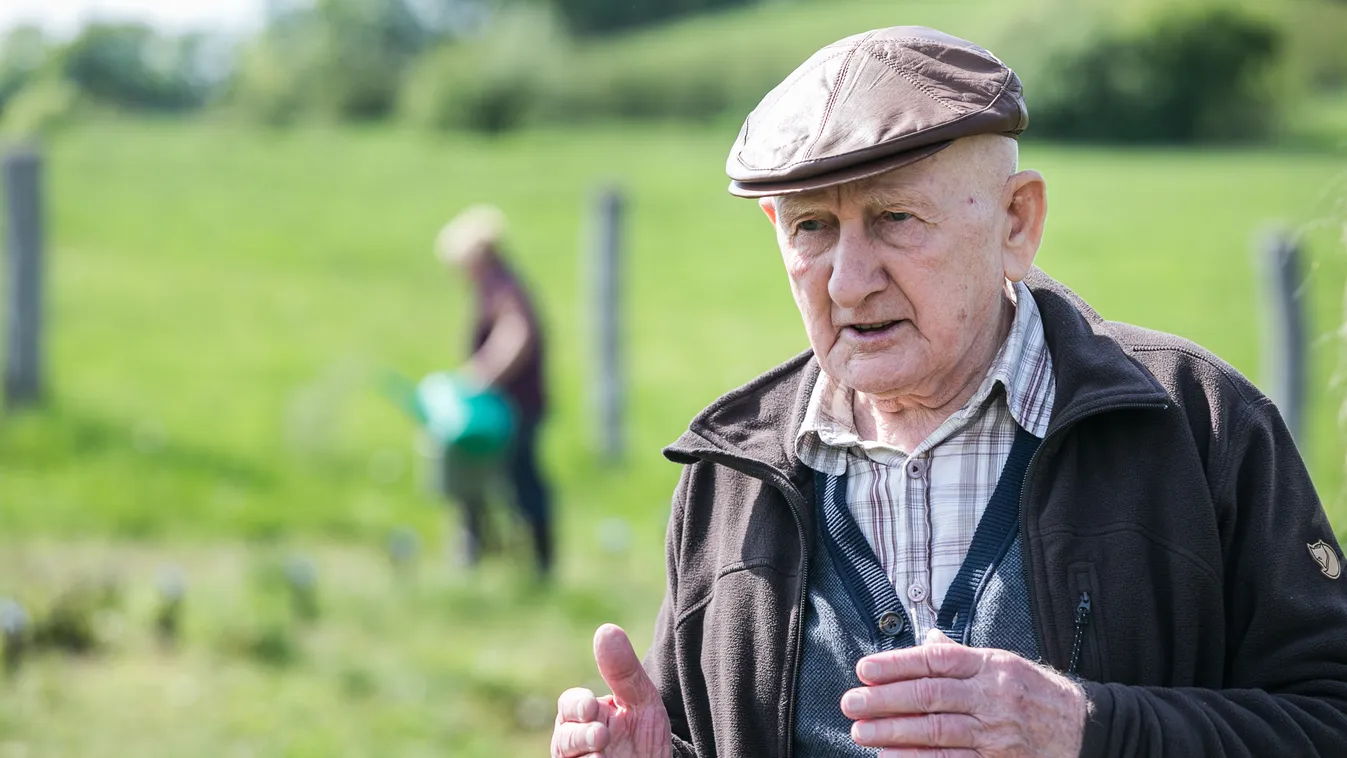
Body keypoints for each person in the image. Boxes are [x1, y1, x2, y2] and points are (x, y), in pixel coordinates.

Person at [550, 26, 1347, 758]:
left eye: (894, 217)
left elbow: (1328, 719)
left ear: (1015, 222)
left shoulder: (1196, 423)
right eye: (811, 229)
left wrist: (1088, 731)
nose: (849, 283)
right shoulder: (730, 475)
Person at [435, 205, 554, 577]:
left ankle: (539, 563)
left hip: (514, 408)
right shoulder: (497, 285)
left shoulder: (503, 288)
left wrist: (482, 374)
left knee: (521, 479)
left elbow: (518, 335)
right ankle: (495, 555)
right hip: (507, 406)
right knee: (505, 478)